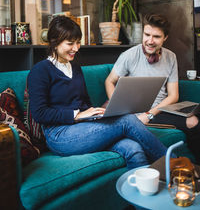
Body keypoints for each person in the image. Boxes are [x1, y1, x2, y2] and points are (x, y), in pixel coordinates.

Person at [27, 15, 169, 170]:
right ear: (54, 42)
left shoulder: (75, 68)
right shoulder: (40, 71)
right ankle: (175, 166)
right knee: (127, 120)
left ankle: (144, 191)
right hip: (59, 135)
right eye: (70, 43)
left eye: (78, 42)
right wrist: (76, 115)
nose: (76, 48)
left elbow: (85, 103)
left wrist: (98, 114)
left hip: (84, 128)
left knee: (133, 148)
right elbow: (39, 113)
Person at [105, 13, 200, 164]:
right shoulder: (129, 55)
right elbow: (109, 81)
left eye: (156, 36)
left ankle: (194, 168)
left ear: (165, 38)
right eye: (146, 34)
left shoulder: (171, 57)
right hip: (135, 113)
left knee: (194, 121)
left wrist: (149, 115)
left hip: (159, 111)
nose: (150, 41)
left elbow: (173, 95)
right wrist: (118, 108)